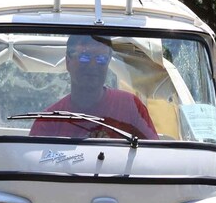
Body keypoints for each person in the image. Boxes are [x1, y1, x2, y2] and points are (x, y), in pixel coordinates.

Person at [29, 35, 157, 140]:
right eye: (84, 57)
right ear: (68, 62)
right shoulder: (47, 122)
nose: (93, 64)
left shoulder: (131, 107)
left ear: (108, 63)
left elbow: (155, 158)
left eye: (101, 58)